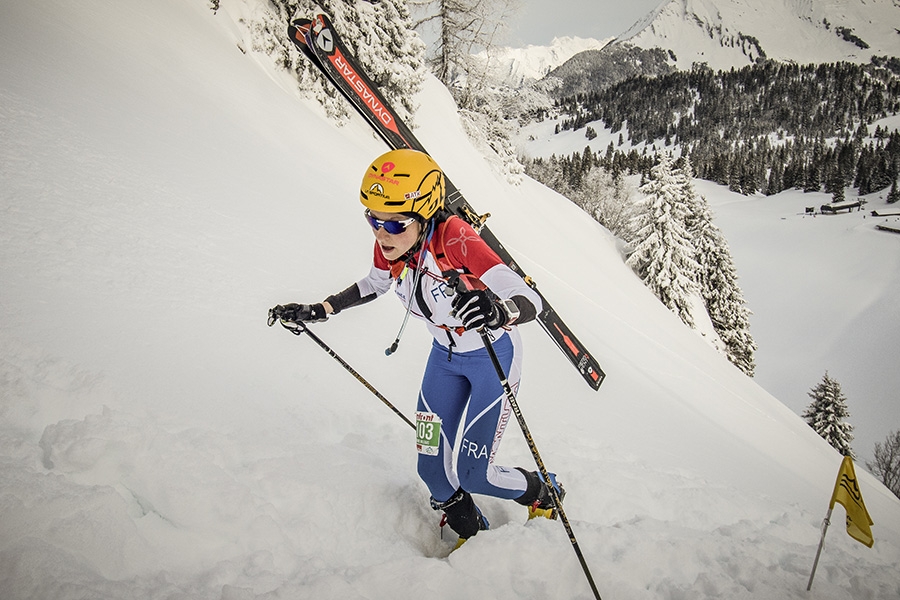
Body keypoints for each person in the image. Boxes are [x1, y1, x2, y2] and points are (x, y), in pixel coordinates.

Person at [270, 149, 563, 547]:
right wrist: (321, 309)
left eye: (393, 223)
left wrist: (497, 309)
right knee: (431, 470)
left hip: (492, 357)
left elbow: (531, 300)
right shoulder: (392, 245)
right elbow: (375, 284)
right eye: (372, 219)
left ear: (424, 216)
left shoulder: (458, 240)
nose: (380, 233)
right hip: (442, 362)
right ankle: (472, 535)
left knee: (475, 472)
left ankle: (543, 493)